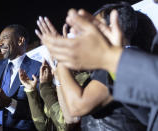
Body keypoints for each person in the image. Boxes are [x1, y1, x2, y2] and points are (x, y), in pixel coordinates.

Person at [40, 0, 158, 130]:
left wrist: (62, 57)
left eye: (95, 27)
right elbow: (69, 117)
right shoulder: (108, 66)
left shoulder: (123, 63)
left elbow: (77, 107)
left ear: (113, 27)